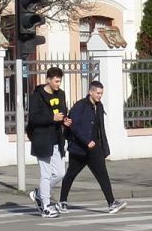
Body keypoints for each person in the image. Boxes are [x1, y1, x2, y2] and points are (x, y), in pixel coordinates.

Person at [58, 80, 126, 214]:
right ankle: (62, 202)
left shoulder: (99, 106)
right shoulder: (80, 106)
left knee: (102, 174)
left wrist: (105, 149)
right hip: (79, 148)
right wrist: (86, 140)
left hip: (95, 148)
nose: (100, 96)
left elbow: (101, 129)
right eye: (98, 93)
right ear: (90, 92)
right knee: (70, 174)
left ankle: (111, 203)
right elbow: (73, 125)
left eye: (101, 93)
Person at [26, 66, 71, 217]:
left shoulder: (61, 94)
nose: (58, 84)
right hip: (42, 139)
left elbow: (63, 111)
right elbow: (33, 118)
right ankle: (46, 206)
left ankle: (39, 193)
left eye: (60, 81)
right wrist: (52, 118)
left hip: (57, 139)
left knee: (60, 173)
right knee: (45, 174)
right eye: (56, 81)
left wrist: (65, 120)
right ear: (48, 80)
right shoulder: (37, 96)